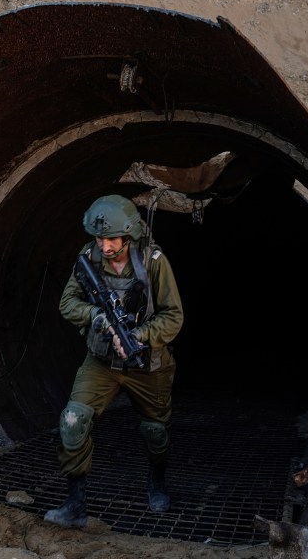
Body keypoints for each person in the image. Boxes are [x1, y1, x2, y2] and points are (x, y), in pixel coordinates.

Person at [44, 194, 184, 528]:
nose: (104, 246)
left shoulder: (153, 261)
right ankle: (75, 505)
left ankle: (157, 481)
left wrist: (138, 336)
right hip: (101, 361)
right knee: (73, 421)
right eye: (99, 238)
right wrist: (97, 317)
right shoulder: (89, 258)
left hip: (148, 364)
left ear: (129, 234)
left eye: (111, 239)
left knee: (155, 431)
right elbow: (67, 304)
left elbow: (174, 317)